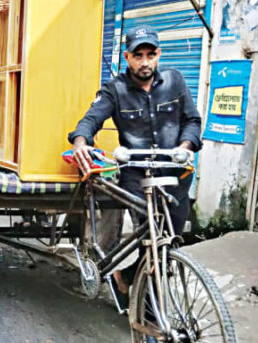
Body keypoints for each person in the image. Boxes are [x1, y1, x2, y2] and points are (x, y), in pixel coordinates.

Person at [68, 25, 202, 304]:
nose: (145, 62)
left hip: (175, 175)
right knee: (150, 240)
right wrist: (80, 142)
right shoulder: (115, 89)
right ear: (127, 57)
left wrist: (184, 147)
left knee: (168, 245)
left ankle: (125, 277)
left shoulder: (175, 81)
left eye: (150, 55)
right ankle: (152, 315)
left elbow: (192, 121)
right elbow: (91, 119)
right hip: (137, 176)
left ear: (158, 55)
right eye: (138, 55)